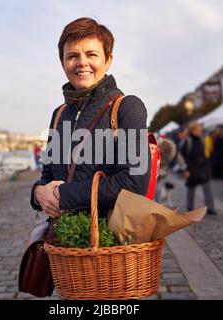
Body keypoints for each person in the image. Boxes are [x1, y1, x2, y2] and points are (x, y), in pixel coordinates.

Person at [30, 18, 150, 219]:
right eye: (72, 56)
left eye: (91, 54)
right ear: (63, 63)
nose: (82, 63)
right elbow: (48, 177)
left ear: (108, 60)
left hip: (107, 242)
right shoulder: (58, 114)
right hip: (62, 243)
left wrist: (64, 195)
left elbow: (134, 182)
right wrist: (37, 193)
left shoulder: (127, 107)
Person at [180, 122, 217, 215]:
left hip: (203, 169)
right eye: (199, 129)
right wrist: (186, 169)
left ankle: (211, 208)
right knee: (191, 190)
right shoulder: (188, 141)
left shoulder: (202, 139)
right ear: (193, 130)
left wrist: (208, 166)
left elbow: (204, 155)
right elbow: (183, 157)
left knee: (207, 189)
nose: (201, 130)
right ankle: (190, 208)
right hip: (192, 169)